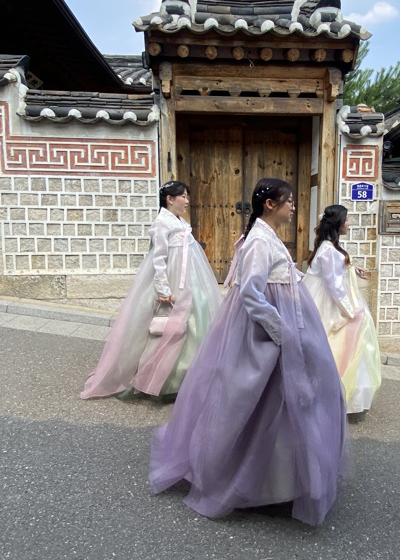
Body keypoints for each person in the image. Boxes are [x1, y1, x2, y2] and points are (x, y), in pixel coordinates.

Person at [149, 178, 348, 526]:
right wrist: (281, 330)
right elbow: (252, 294)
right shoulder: (258, 240)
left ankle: (280, 479)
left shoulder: (265, 237)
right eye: (288, 201)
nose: (294, 207)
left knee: (283, 401)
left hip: (284, 319)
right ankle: (250, 477)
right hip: (266, 329)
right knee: (257, 399)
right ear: (270, 204)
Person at [80, 181, 221, 400]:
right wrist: (163, 289)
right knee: (169, 327)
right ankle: (162, 380)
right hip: (173, 280)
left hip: (191, 280)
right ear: (170, 199)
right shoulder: (161, 223)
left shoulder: (178, 221)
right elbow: (159, 260)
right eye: (182, 196)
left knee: (195, 324)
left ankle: (190, 376)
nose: (186, 200)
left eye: (186, 196)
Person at [302, 205, 382, 418]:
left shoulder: (329, 248)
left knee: (343, 347)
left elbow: (337, 271)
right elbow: (334, 285)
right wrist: (350, 310)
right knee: (340, 347)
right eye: (347, 220)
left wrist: (353, 269)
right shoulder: (328, 250)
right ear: (338, 222)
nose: (349, 224)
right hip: (329, 304)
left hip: (328, 300)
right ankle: (338, 397)